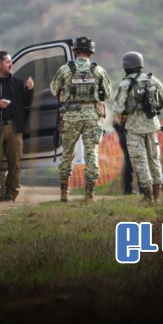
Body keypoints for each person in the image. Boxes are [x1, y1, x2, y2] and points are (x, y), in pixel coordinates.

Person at [49, 37, 111, 203]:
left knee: (67, 154)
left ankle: (64, 193)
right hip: (92, 116)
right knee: (91, 154)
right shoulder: (98, 70)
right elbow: (108, 93)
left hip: (71, 116)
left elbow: (54, 90)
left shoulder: (65, 69)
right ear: (91, 52)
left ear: (75, 51)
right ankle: (89, 194)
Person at [112, 51, 163, 203]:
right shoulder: (152, 79)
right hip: (152, 125)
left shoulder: (125, 84)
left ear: (126, 67)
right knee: (154, 160)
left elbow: (118, 108)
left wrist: (126, 114)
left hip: (134, 128)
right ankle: (157, 196)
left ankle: (147, 197)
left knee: (140, 161)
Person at [0, 51, 34, 201]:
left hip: (14, 129)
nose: (11, 64)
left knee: (15, 163)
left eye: (11, 62)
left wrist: (30, 90)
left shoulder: (18, 82)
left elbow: (27, 104)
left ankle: (11, 194)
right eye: (8, 62)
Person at [113, 120, 136, 194]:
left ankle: (127, 188)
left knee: (128, 162)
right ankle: (127, 188)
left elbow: (115, 123)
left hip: (124, 134)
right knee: (130, 162)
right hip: (128, 135)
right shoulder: (123, 113)